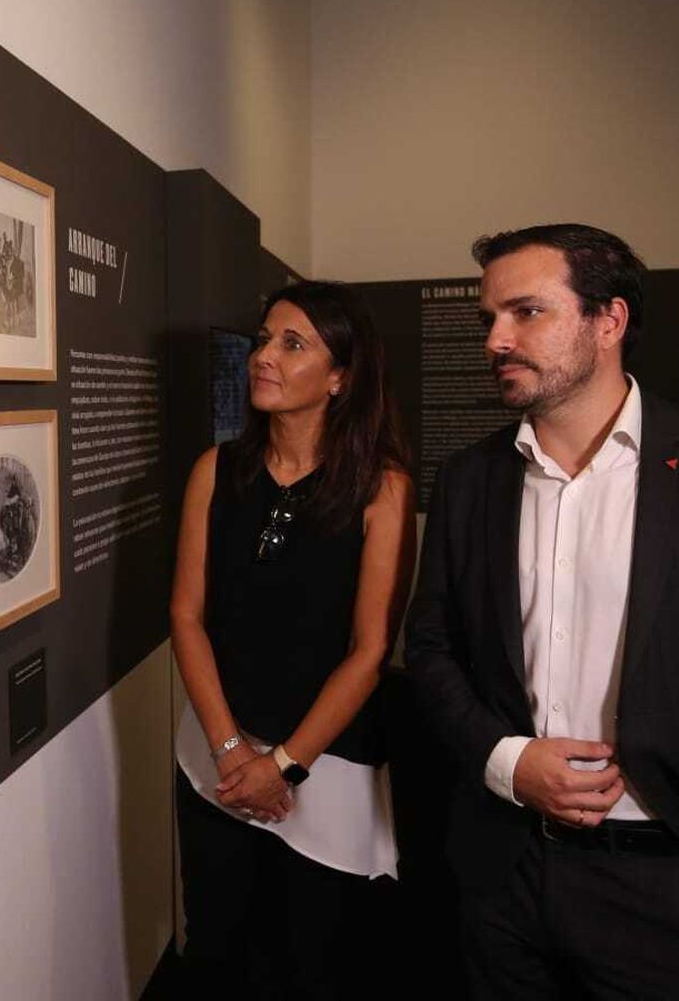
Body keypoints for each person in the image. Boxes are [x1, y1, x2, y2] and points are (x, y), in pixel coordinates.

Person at [405, 224, 679, 999]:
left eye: (526, 312)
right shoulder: (472, 479)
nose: (497, 339)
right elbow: (432, 648)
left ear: (610, 321)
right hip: (505, 872)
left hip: (677, 882)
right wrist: (507, 760)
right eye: (489, 320)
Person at [170, 281, 414, 998]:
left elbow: (370, 649)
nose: (262, 357)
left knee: (311, 962)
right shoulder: (215, 470)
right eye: (263, 339)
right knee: (215, 948)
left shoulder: (380, 487)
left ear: (341, 376)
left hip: (325, 770)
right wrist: (231, 749)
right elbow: (186, 614)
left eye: (292, 343)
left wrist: (284, 765)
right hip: (214, 760)